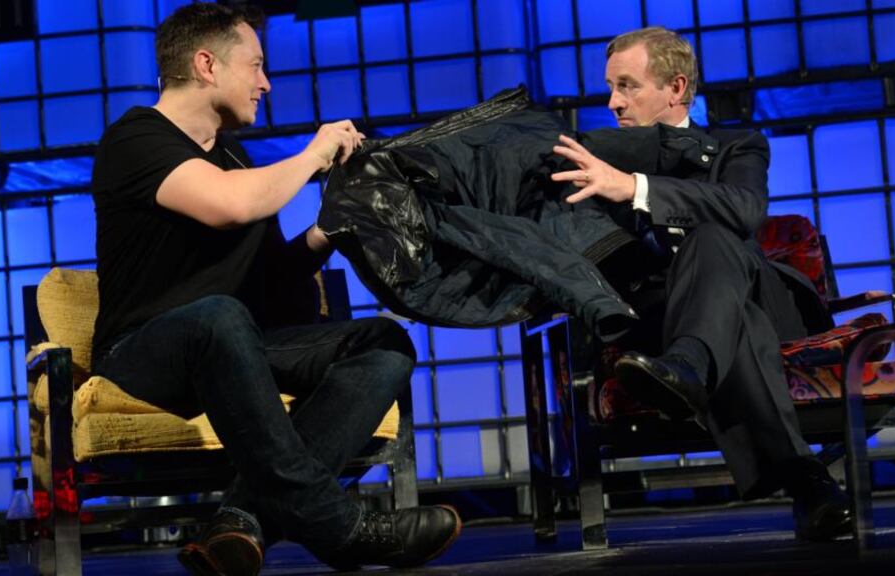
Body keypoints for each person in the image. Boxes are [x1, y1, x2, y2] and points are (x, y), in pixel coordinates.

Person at [90, 4, 460, 574]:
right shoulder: (135, 138)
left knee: (383, 343)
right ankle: (342, 528)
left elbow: (266, 282)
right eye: (256, 65)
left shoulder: (234, 157)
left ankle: (240, 520)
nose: (266, 82)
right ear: (207, 64)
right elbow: (229, 205)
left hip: (233, 343)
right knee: (217, 315)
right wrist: (312, 155)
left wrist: (329, 231)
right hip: (145, 352)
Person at [550, 26, 852, 541]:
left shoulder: (737, 144)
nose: (613, 102)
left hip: (759, 295)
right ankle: (809, 482)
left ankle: (689, 364)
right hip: (660, 323)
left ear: (675, 87)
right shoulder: (597, 162)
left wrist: (636, 188)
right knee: (738, 325)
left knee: (714, 237)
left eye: (627, 86)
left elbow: (745, 210)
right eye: (610, 87)